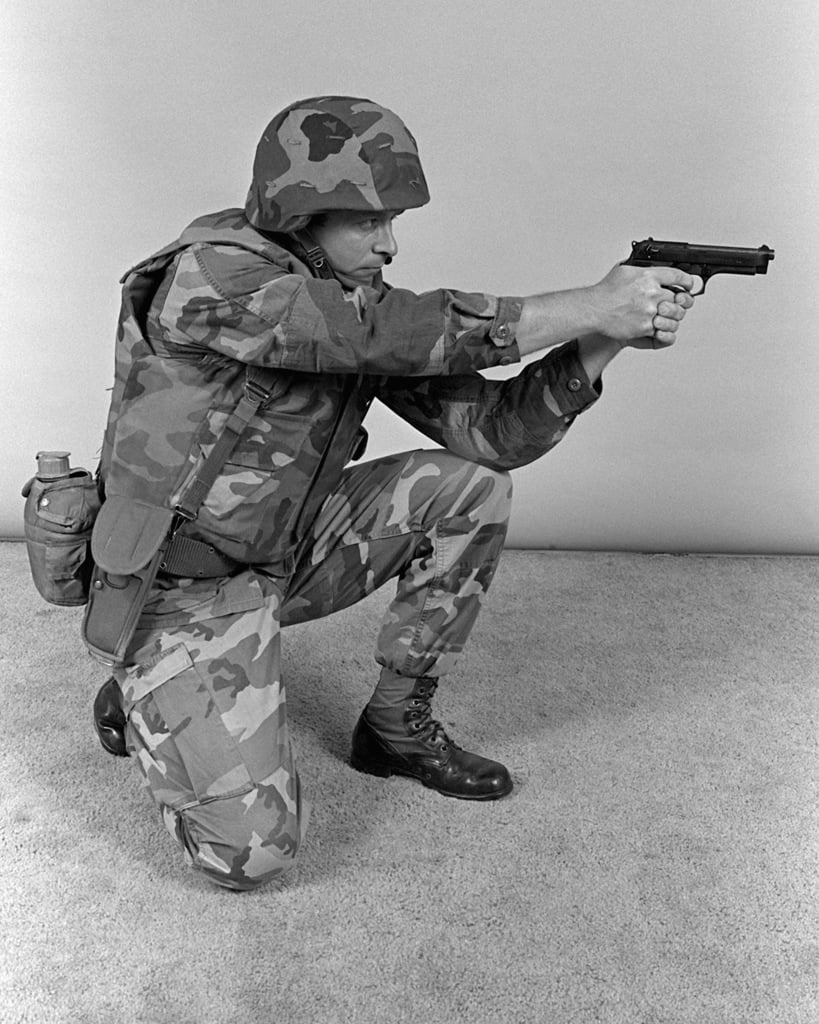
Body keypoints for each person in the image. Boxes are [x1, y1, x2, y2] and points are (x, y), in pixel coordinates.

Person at [91, 95, 700, 890]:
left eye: (394, 219)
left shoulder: (350, 300)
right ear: (301, 215)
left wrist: (602, 339)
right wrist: (591, 298)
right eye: (367, 221)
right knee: (248, 855)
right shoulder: (212, 277)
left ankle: (394, 727)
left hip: (287, 549)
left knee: (470, 487)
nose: (389, 242)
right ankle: (147, 688)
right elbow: (376, 333)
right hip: (183, 589)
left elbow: (497, 435)